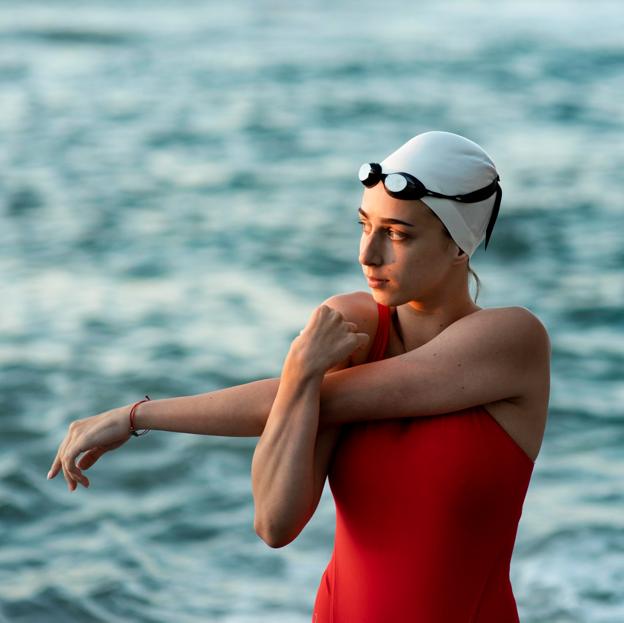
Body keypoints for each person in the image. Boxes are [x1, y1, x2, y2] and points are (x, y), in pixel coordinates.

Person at [48, 130, 551, 622]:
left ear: (460, 245)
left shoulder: (511, 341)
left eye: (397, 235)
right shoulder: (352, 328)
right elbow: (274, 522)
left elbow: (332, 402)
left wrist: (138, 415)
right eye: (364, 226)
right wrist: (300, 373)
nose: (367, 254)